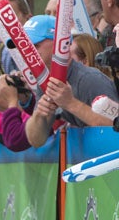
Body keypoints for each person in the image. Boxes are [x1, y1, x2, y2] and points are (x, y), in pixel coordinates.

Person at [23, 15, 119, 147]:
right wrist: (40, 114)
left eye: (34, 44)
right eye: (24, 47)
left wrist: (70, 103)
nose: (27, 51)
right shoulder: (47, 79)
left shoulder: (90, 79)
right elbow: (35, 140)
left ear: (58, 43)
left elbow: (114, 129)